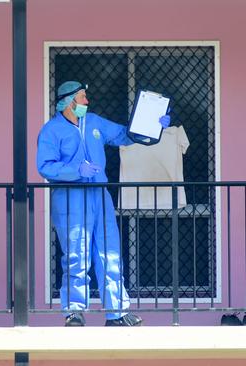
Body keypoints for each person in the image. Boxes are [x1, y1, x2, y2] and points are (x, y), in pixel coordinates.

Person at [36, 81, 171, 326]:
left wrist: (153, 126)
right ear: (69, 101)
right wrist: (77, 170)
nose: (87, 101)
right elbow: (45, 166)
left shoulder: (95, 122)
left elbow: (123, 134)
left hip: (100, 194)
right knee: (77, 254)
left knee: (110, 252)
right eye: (83, 97)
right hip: (70, 197)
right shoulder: (51, 130)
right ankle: (74, 311)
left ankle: (117, 312)